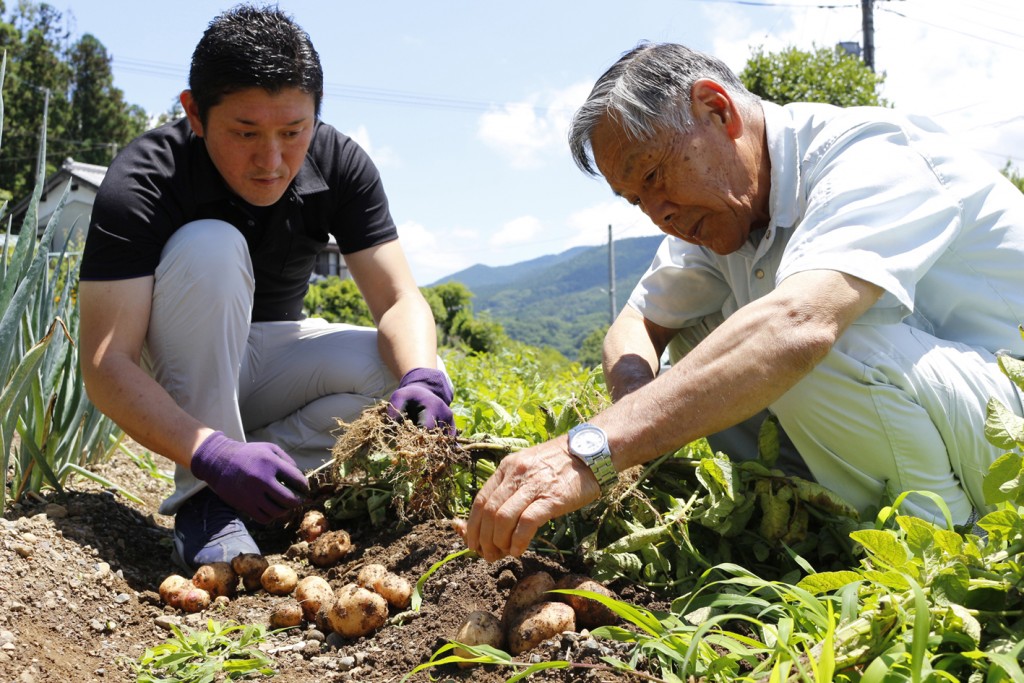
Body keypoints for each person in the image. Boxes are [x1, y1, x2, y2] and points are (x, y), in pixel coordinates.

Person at [458, 41, 1024, 562]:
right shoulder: (724, 214)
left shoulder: (870, 154)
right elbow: (635, 323)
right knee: (698, 333)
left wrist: (591, 450)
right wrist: (634, 405)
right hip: (944, 414)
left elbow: (798, 325)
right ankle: (828, 518)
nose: (659, 214)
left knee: (797, 338)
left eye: (654, 175)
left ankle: (948, 544)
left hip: (1007, 427)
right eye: (636, 200)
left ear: (717, 110)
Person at [78, 4, 453, 571]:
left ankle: (262, 479)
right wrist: (210, 450)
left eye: (293, 131)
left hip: (271, 362)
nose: (271, 161)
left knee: (405, 374)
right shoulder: (146, 177)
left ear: (316, 117)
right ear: (195, 114)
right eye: (245, 132)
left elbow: (400, 299)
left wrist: (422, 377)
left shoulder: (339, 163)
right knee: (210, 245)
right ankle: (206, 499)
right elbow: (107, 364)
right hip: (179, 371)